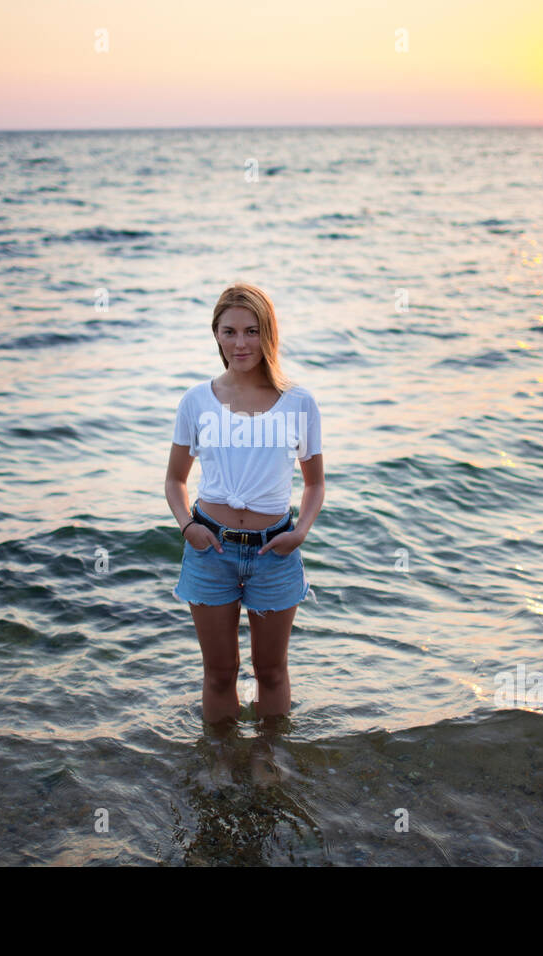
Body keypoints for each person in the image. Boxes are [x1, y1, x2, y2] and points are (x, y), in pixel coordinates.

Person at [165, 283, 324, 730]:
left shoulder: (298, 403)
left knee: (271, 671)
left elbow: (314, 484)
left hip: (273, 553)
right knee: (219, 675)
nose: (241, 343)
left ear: (268, 333)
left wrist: (300, 532)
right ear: (215, 334)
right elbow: (175, 480)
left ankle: (270, 762)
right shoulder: (196, 401)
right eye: (230, 331)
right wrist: (186, 527)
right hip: (209, 551)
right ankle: (218, 764)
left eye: (252, 331)